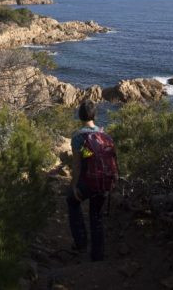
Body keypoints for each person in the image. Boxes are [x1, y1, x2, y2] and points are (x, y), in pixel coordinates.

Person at [67, 99, 112, 261]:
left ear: (80, 116)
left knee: (72, 202)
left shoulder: (78, 137)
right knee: (96, 215)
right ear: (94, 115)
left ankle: (80, 243)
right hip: (104, 182)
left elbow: (77, 166)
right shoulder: (106, 135)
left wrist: (73, 187)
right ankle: (98, 255)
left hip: (87, 182)